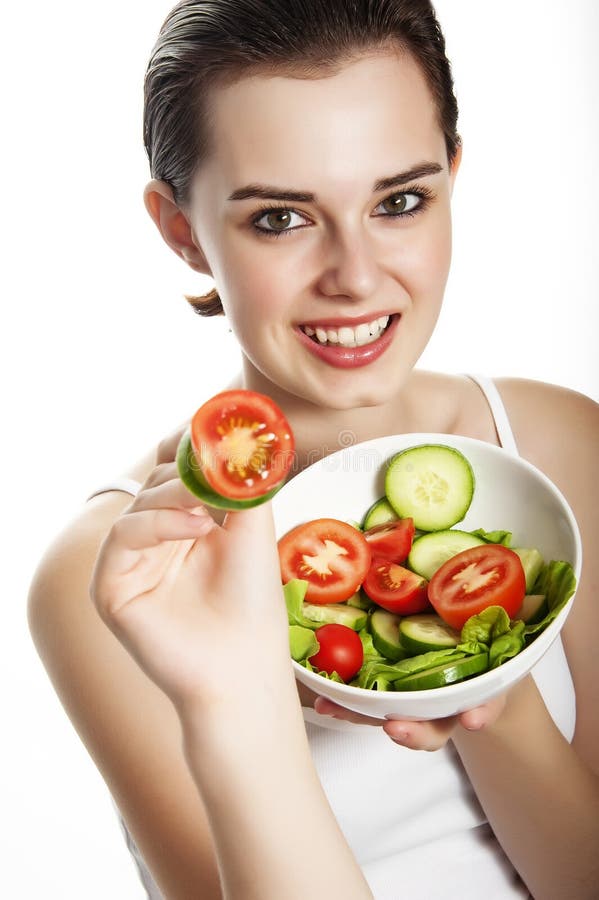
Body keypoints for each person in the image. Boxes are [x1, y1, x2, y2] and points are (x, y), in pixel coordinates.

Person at [27, 1, 599, 898]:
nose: (357, 277)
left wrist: (485, 678)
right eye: (281, 220)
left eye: (399, 201)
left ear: (453, 177)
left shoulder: (563, 444)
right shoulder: (118, 577)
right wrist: (231, 704)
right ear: (181, 231)